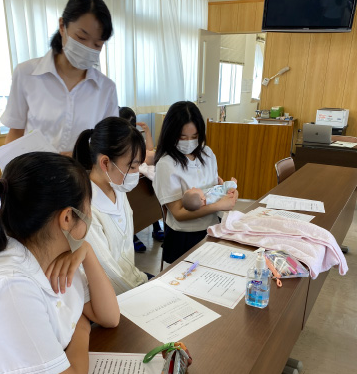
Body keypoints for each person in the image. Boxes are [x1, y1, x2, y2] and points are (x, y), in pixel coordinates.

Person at [0, 152, 120, 374]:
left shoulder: (56, 251)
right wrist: (82, 329)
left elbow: (110, 317)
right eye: (88, 210)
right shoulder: (9, 286)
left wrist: (87, 252)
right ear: (67, 218)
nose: (90, 218)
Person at [0, 0, 118, 156]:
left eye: (98, 44)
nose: (88, 48)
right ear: (62, 26)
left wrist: (75, 157)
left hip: (81, 171)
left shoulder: (106, 88)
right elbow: (15, 133)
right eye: (81, 38)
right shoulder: (26, 74)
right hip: (35, 169)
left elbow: (108, 145)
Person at [68, 116, 152, 294]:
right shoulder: (86, 209)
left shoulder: (117, 187)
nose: (136, 173)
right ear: (105, 163)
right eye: (132, 167)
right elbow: (109, 274)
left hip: (134, 280)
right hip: (115, 294)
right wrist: (144, 291)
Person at [153, 101, 238, 265]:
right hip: (183, 237)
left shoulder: (207, 153)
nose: (189, 142)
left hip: (212, 229)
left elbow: (216, 187)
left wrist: (230, 192)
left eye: (194, 136)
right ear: (171, 133)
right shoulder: (166, 164)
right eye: (182, 137)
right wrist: (219, 206)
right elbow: (178, 213)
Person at [118, 106, 165, 246]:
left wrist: (148, 131)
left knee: (149, 188)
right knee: (133, 199)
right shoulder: (117, 141)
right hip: (125, 179)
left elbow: (148, 151)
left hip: (140, 175)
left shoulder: (135, 138)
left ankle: (155, 224)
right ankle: (132, 234)